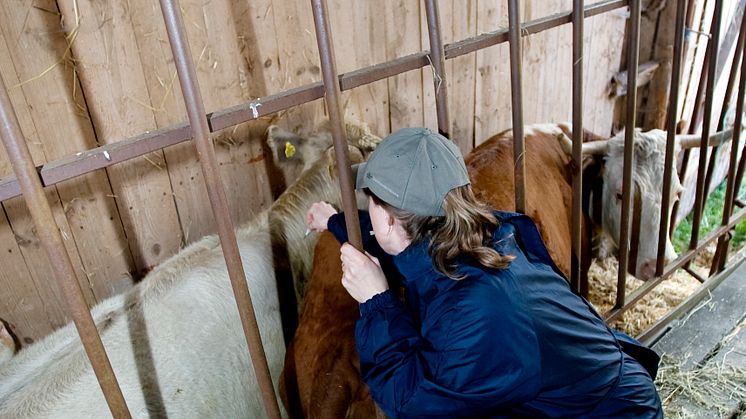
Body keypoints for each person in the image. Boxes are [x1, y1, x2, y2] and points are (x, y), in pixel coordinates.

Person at [306, 127, 663, 418]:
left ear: (386, 217)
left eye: (371, 203)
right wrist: (337, 222)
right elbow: (401, 242)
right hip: (583, 399)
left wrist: (377, 301)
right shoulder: (478, 235)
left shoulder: (471, 311)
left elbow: (413, 403)